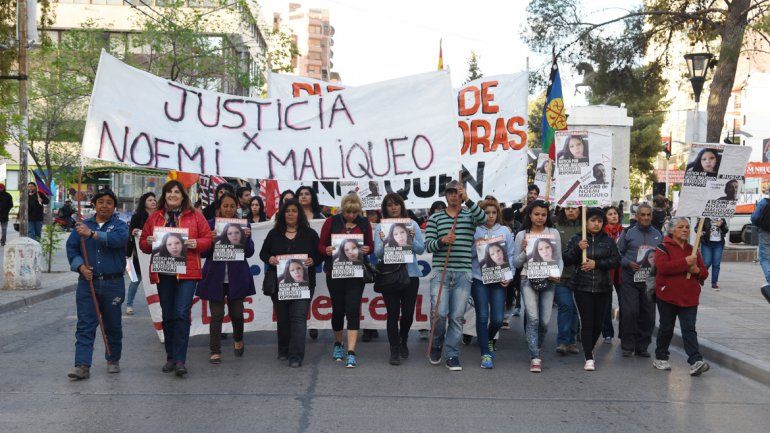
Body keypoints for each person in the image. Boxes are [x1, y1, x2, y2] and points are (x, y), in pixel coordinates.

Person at [139, 180, 213, 377]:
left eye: (177, 192)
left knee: (181, 313)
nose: (173, 195)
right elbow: (144, 245)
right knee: (168, 314)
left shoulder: (195, 215)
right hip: (164, 272)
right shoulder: (154, 218)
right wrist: (146, 241)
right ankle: (170, 357)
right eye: (169, 192)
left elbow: (207, 239)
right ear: (164, 195)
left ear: (183, 195)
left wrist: (195, 243)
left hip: (188, 272)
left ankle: (180, 360)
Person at [65, 189, 128, 380]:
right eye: (100, 201)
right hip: (88, 283)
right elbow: (72, 249)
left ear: (114, 206)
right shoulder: (81, 226)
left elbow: (118, 241)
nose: (104, 205)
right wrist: (80, 267)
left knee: (112, 325)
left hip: (113, 283)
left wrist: (92, 234)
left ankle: (113, 358)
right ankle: (82, 365)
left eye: (109, 202)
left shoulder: (120, 226)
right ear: (94, 204)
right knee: (85, 324)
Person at [424, 180, 487, 371]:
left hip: (463, 272)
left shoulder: (469, 215)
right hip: (440, 271)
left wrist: (468, 200)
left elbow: (483, 219)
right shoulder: (436, 218)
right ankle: (436, 344)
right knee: (440, 315)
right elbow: (429, 246)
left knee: (457, 317)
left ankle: (452, 354)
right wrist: (442, 240)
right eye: (450, 192)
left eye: (457, 192)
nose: (454, 195)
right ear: (445, 195)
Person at [261, 199, 321, 367]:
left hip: (304, 285)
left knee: (298, 317)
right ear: (282, 214)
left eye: (294, 210)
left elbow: (320, 254)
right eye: (287, 211)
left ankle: (296, 356)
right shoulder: (274, 234)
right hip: (279, 285)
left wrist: (313, 260)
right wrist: (270, 258)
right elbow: (263, 253)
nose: (290, 214)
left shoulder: (310, 234)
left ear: (299, 213)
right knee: (283, 318)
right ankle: (284, 349)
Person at [197, 192, 255, 364]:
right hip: (215, 277)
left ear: (237, 207)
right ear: (219, 207)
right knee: (217, 315)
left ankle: (238, 339)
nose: (229, 209)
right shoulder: (210, 225)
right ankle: (215, 350)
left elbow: (250, 253)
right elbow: (203, 253)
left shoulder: (244, 225)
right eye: (225, 206)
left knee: (237, 314)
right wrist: (211, 241)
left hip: (237, 277)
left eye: (232, 206)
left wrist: (247, 239)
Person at [318, 193, 374, 368]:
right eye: (348, 212)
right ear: (343, 209)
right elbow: (320, 245)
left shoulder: (364, 223)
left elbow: (371, 246)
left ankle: (351, 351)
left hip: (356, 274)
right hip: (334, 274)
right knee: (338, 310)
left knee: (353, 310)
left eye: (354, 212)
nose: (351, 215)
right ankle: (338, 343)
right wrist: (326, 250)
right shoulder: (331, 222)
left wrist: (367, 249)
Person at [564, 208, 621, 371]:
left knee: (598, 324)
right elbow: (566, 259)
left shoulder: (608, 241)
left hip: (603, 287)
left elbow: (616, 260)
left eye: (599, 221)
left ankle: (589, 348)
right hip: (582, 286)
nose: (596, 224)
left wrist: (597, 264)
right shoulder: (577, 238)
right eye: (593, 220)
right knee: (587, 322)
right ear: (586, 222)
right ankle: (589, 356)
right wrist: (577, 249)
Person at [652, 218, 711, 376]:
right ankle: (661, 357)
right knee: (666, 328)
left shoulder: (693, 250)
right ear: (672, 230)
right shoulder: (662, 248)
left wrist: (697, 270)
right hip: (667, 296)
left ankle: (695, 361)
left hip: (689, 297)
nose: (685, 230)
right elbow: (663, 268)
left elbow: (704, 274)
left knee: (689, 329)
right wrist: (685, 262)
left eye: (687, 227)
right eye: (681, 227)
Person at [374, 192, 425, 365]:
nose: (393, 207)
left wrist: (410, 237)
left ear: (402, 206)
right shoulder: (380, 228)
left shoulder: (412, 224)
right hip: (389, 276)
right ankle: (394, 349)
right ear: (385, 208)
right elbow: (378, 254)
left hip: (410, 274)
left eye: (396, 203)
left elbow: (420, 250)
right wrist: (383, 241)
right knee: (392, 313)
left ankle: (403, 339)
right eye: (389, 204)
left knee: (408, 313)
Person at [513, 200, 563, 373]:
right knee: (533, 318)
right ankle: (535, 356)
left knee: (545, 321)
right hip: (528, 278)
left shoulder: (553, 233)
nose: (540, 218)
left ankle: (537, 345)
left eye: (543, 214)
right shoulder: (522, 235)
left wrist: (558, 274)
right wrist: (523, 251)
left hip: (549, 280)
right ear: (529, 215)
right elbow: (516, 263)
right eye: (536, 214)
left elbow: (559, 258)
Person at [470, 197, 514, 369]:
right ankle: (485, 353)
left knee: (497, 318)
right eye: (486, 212)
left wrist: (509, 275)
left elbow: (510, 255)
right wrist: (478, 246)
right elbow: (470, 254)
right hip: (479, 278)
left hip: (499, 279)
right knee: (482, 316)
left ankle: (487, 339)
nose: (490, 216)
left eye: (494, 212)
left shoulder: (504, 230)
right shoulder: (475, 230)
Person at [617, 203, 663, 358]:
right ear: (636, 216)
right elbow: (617, 253)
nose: (645, 217)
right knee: (630, 312)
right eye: (642, 214)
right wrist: (627, 263)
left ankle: (642, 346)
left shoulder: (658, 234)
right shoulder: (628, 233)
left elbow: (663, 255)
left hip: (649, 280)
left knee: (648, 315)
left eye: (648, 214)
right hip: (630, 278)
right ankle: (627, 345)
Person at [554, 207, 581, 356]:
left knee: (575, 309)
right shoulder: (556, 228)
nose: (571, 211)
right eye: (568, 208)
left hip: (578, 277)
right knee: (566, 306)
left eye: (574, 208)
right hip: (561, 276)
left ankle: (572, 341)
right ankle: (563, 341)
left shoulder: (583, 227)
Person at [125, 192, 157, 315]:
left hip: (155, 255)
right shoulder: (137, 217)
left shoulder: (159, 216)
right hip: (138, 256)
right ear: (144, 202)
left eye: (154, 200)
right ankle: (129, 304)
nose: (153, 202)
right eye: (150, 200)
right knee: (135, 280)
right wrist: (127, 254)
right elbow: (130, 237)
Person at [601, 205, 623, 343]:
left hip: (621, 272)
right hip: (606, 271)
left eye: (615, 213)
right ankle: (607, 332)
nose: (613, 216)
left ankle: (624, 333)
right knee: (606, 304)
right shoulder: (602, 232)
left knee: (625, 304)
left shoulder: (624, 232)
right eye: (610, 214)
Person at [699, 217, 728, 290]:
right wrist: (700, 232)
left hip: (718, 244)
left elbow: (725, 230)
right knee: (706, 263)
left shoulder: (722, 218)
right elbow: (697, 228)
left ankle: (714, 283)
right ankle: (701, 276)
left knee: (716, 264)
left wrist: (721, 225)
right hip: (706, 243)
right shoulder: (705, 217)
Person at [751, 195, 770, 296]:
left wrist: (757, 224)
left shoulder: (765, 201)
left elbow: (754, 217)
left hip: (765, 232)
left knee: (764, 258)